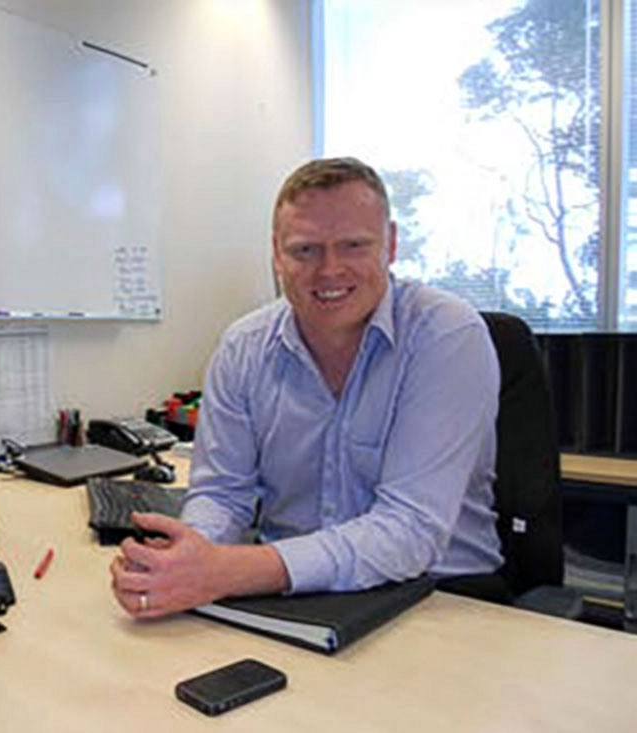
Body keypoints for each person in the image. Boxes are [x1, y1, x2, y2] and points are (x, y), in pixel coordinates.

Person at [110, 156, 503, 618]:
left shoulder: (446, 335)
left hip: (444, 598)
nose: (329, 270)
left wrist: (229, 571)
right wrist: (187, 558)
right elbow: (222, 495)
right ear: (277, 254)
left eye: (354, 245)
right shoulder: (242, 347)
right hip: (294, 595)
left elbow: (409, 530)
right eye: (305, 250)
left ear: (391, 245)